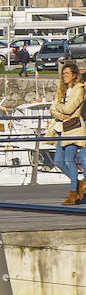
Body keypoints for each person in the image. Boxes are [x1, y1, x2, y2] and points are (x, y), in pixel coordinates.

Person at [49, 61, 86, 205]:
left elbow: (69, 109)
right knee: (58, 161)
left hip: (73, 129)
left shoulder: (79, 89)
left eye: (67, 73)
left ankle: (72, 194)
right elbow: (52, 109)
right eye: (63, 73)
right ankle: (77, 183)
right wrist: (59, 112)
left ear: (74, 75)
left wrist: (58, 108)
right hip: (61, 129)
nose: (64, 76)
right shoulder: (62, 89)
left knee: (69, 160)